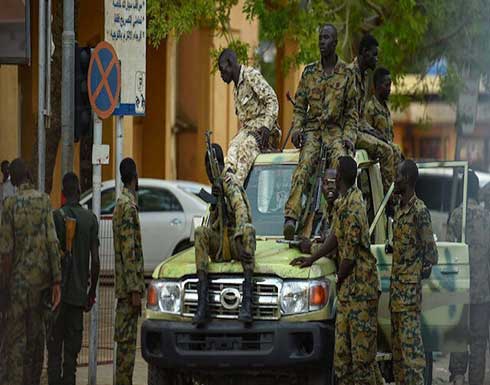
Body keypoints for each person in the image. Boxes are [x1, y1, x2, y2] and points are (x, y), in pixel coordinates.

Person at [291, 156, 379, 385]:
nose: (333, 176)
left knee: (362, 361)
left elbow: (348, 257)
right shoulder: (344, 202)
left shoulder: (354, 207)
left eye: (336, 172)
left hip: (361, 292)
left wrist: (338, 279)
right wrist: (311, 258)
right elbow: (334, 238)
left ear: (340, 176)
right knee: (341, 359)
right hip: (349, 293)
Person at [283, 23, 358, 240]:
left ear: (335, 43)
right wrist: (297, 128)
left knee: (340, 167)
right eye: (320, 38)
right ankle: (291, 217)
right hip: (313, 129)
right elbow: (299, 106)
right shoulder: (309, 72)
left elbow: (352, 112)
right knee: (304, 165)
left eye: (326, 38)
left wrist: (349, 138)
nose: (321, 42)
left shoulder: (346, 74)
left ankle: (331, 221)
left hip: (335, 131)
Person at [0, 158, 62, 385]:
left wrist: (3, 289)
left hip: (17, 288)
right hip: (41, 287)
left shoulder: (9, 205)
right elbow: (52, 243)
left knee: (15, 344)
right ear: (28, 174)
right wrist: (57, 282)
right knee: (36, 343)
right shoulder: (44, 201)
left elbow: (5, 252)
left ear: (13, 179)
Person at [193, 143, 256, 326]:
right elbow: (214, 224)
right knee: (200, 232)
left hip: (236, 245)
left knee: (249, 231)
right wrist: (214, 204)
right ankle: (202, 302)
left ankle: (247, 302)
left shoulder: (229, 181)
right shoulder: (215, 186)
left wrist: (237, 240)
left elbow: (241, 212)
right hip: (221, 242)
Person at [47, 172, 100, 385]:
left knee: (53, 354)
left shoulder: (55, 217)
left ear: (62, 194)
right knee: (71, 358)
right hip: (78, 299)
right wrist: (91, 292)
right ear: (79, 191)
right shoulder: (90, 220)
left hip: (55, 300)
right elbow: (95, 262)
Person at [391, 160, 438, 385]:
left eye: (398, 176)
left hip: (409, 298)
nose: (394, 179)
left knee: (413, 358)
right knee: (398, 358)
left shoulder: (420, 211)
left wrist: (417, 269)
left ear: (407, 179)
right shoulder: (399, 209)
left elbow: (432, 254)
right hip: (396, 295)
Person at [448, 171, 490, 385]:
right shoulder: (487, 218)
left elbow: (449, 252)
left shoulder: (457, 215)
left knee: (458, 337)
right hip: (483, 292)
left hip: (461, 288)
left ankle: (457, 376)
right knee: (479, 342)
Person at [218, 48, 280, 186]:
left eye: (223, 70)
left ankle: (236, 186)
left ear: (231, 63)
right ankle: (226, 182)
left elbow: (272, 99)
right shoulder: (236, 89)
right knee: (233, 148)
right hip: (248, 130)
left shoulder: (251, 76)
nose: (221, 75)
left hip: (265, 132)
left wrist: (266, 126)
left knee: (247, 147)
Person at [348, 34, 394, 195]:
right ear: (364, 52)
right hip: (348, 132)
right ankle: (390, 201)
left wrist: (374, 133)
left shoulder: (364, 76)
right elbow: (349, 117)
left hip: (357, 128)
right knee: (386, 151)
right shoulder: (349, 74)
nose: (376, 58)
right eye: (374, 54)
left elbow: (360, 118)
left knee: (391, 147)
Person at [113, 158, 145, 385]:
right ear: (135, 177)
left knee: (126, 347)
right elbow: (128, 251)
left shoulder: (123, 203)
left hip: (125, 288)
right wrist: (134, 289)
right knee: (126, 349)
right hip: (127, 291)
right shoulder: (127, 206)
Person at [365, 67, 403, 168]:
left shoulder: (385, 109)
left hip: (391, 162)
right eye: (386, 85)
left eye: (390, 85)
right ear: (377, 86)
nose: (389, 89)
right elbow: (367, 136)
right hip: (377, 164)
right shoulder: (370, 108)